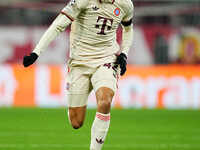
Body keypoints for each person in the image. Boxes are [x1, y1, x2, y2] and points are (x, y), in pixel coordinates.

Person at [23, 0, 134, 149]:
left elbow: (128, 29)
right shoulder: (82, 1)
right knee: (76, 122)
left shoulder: (125, 4)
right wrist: (36, 52)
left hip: (106, 59)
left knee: (105, 100)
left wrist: (124, 53)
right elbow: (59, 24)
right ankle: (73, 105)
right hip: (79, 63)